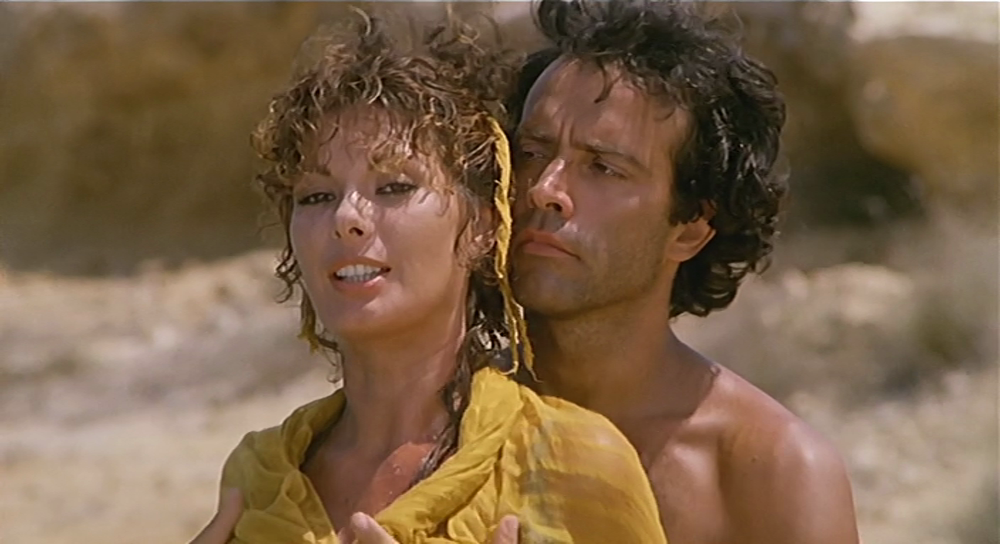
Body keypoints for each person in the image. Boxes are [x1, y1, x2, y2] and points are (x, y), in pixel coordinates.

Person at [190, 8, 668, 544]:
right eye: (316, 196)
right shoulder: (260, 477)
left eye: (394, 187)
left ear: (483, 225)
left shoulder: (572, 465)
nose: (346, 216)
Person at [504, 1, 861, 543]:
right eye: (531, 151)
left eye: (603, 167)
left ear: (690, 228)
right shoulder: (432, 421)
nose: (545, 189)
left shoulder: (768, 473)